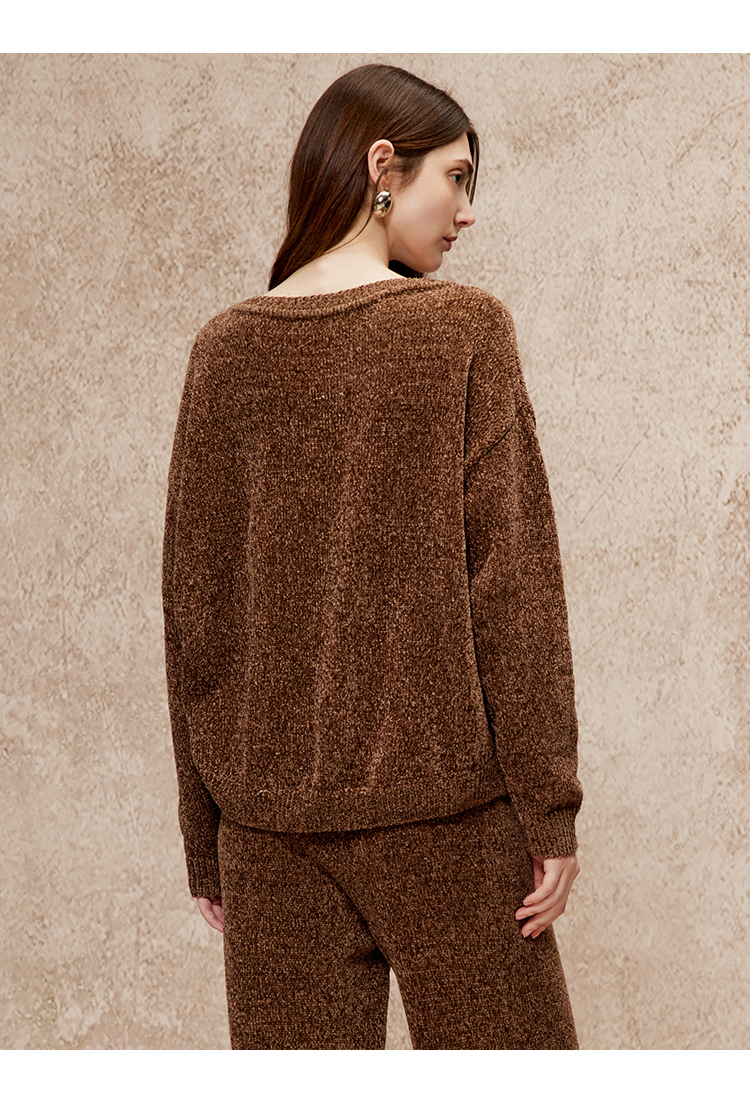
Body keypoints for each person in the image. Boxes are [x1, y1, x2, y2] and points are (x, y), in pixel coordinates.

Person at [162, 62, 583, 1049]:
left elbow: (195, 615)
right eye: (457, 178)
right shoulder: (464, 330)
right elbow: (514, 589)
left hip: (268, 834)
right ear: (382, 166)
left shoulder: (224, 350)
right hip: (450, 820)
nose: (467, 212)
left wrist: (205, 836)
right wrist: (550, 811)